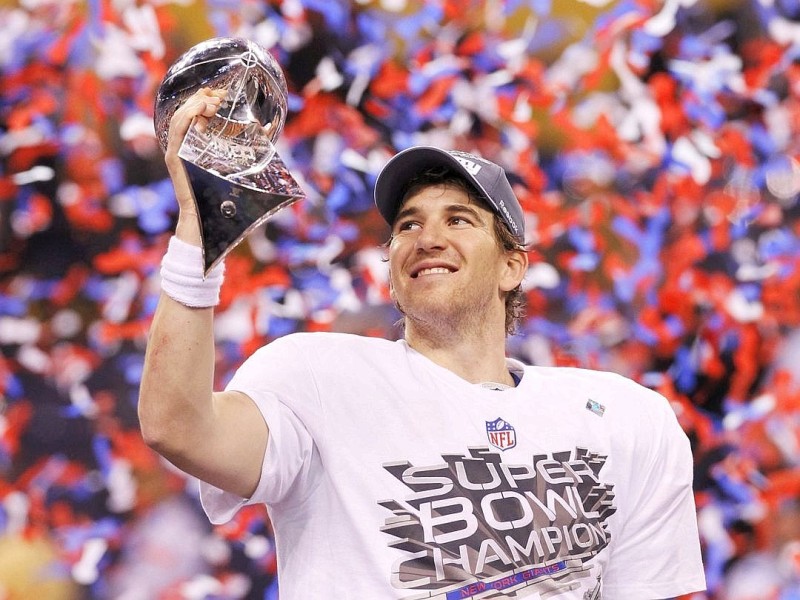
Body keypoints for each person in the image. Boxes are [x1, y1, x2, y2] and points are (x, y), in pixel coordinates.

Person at [138, 87, 707, 599]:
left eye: (459, 220)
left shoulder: (627, 418)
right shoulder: (317, 378)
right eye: (408, 225)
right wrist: (200, 236)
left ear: (512, 266)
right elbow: (178, 426)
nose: (427, 237)